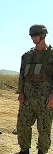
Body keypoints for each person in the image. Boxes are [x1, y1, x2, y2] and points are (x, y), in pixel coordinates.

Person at [16, 24, 53, 154]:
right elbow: (22, 75)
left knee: (44, 127)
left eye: (35, 35)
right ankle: (24, 149)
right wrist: (20, 92)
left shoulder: (51, 54)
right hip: (27, 96)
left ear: (43, 35)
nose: (33, 38)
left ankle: (42, 151)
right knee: (22, 124)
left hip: (45, 98)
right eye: (31, 35)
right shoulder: (26, 56)